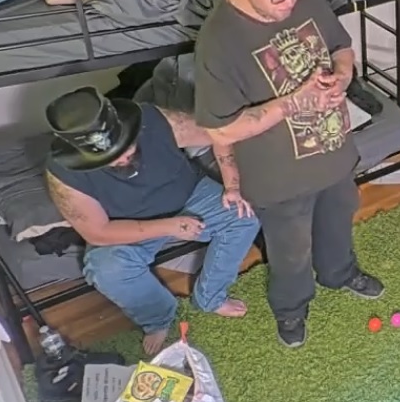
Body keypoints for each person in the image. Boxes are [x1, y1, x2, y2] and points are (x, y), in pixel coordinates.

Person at [194, 0, 383, 350]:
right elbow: (220, 130)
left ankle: (339, 273)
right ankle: (291, 308)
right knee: (291, 251)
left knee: (339, 219)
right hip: (278, 179)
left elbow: (341, 47)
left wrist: (342, 77)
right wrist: (294, 102)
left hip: (334, 152)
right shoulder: (218, 42)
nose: (290, 4)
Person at [44, 87, 260, 355]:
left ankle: (211, 297)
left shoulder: (153, 119)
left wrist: (232, 186)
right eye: (109, 159)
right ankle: (157, 319)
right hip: (128, 222)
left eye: (126, 147)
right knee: (107, 269)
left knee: (244, 216)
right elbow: (97, 232)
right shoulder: (63, 174)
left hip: (189, 193)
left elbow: (220, 132)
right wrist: (169, 226)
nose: (123, 158)